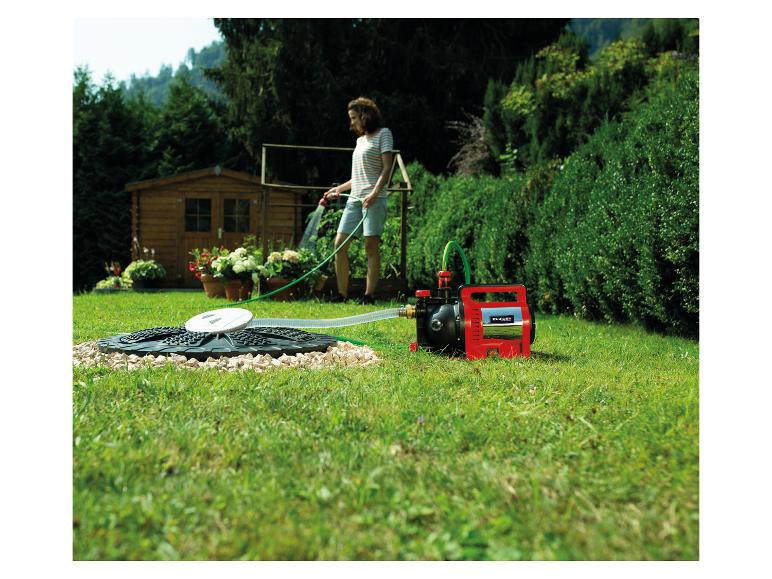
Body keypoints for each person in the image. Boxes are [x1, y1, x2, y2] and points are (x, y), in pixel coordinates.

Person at [322, 97, 394, 304]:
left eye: (354, 118)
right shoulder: (359, 141)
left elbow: (387, 168)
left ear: (365, 115)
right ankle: (342, 295)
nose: (351, 123)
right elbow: (358, 177)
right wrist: (338, 189)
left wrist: (373, 194)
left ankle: (368, 295)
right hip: (355, 200)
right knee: (339, 244)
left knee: (370, 247)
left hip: (374, 199)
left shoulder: (384, 134)